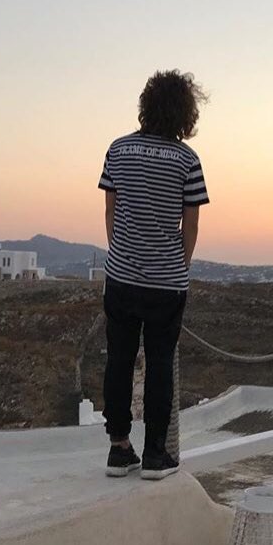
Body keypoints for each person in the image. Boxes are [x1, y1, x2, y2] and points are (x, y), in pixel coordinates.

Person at [98, 69, 209, 480]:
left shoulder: (118, 149)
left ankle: (118, 448)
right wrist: (180, 264)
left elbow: (111, 211)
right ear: (185, 111)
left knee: (119, 361)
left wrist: (122, 253)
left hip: (121, 277)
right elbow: (190, 225)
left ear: (145, 105)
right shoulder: (188, 160)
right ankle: (155, 455)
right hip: (166, 283)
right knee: (160, 364)